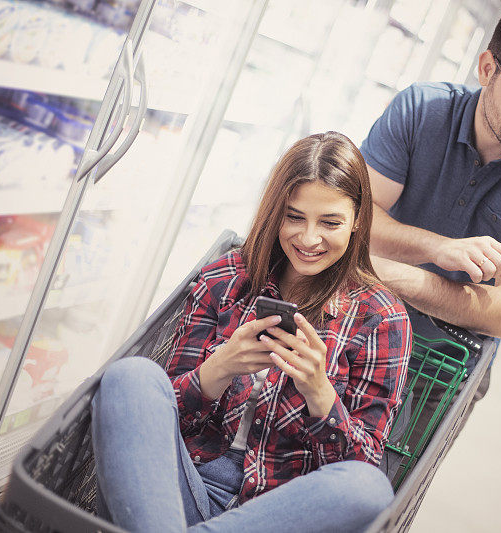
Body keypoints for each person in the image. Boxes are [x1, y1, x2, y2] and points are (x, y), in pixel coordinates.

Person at [91, 131, 412, 532]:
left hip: (280, 514)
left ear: (358, 219)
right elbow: (153, 421)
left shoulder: (380, 318)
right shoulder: (226, 279)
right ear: (275, 211)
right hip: (178, 495)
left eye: (330, 222)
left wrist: (319, 392)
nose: (309, 238)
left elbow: (359, 465)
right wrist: (219, 368)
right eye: (294, 217)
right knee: (130, 377)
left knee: (369, 488)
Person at [361, 2, 501, 420]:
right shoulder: (419, 110)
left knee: (395, 481)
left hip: (451, 363)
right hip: (364, 324)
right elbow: (359, 218)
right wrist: (438, 248)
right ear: (487, 68)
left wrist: (385, 271)